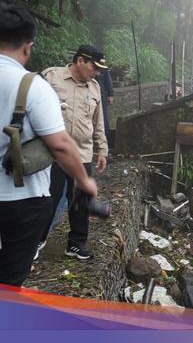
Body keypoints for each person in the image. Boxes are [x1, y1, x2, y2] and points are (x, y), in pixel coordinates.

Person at [0, 3, 97, 287]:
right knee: (9, 281)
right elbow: (61, 145)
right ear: (28, 48)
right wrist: (83, 180)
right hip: (21, 201)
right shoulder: (33, 86)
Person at [38, 44, 109, 260]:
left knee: (80, 201)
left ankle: (76, 243)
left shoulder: (95, 88)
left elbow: (98, 122)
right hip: (53, 154)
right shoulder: (51, 78)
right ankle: (36, 241)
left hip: (82, 154)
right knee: (47, 198)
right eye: (93, 67)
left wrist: (102, 149)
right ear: (80, 61)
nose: (96, 73)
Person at [96, 68, 113, 145]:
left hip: (102, 96)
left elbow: (108, 81)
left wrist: (110, 94)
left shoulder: (104, 69)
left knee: (103, 119)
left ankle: (106, 143)